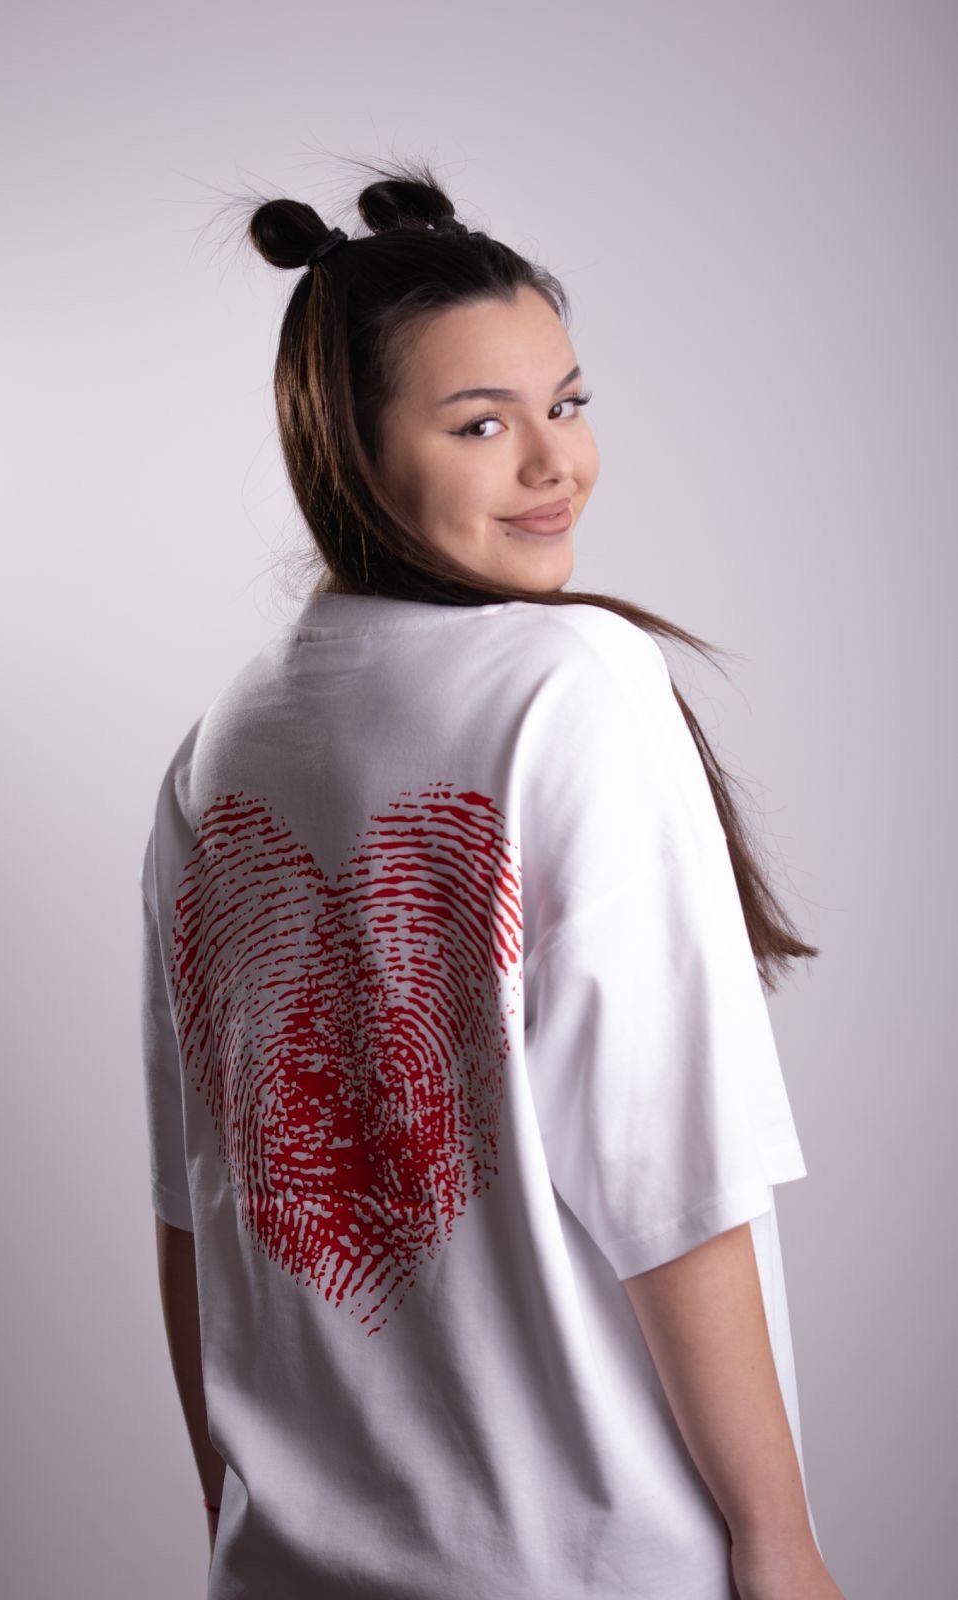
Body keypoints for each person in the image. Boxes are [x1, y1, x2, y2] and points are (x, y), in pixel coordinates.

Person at [138, 156, 847, 1599]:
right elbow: (668, 1172)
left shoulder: (221, 743)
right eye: (481, 423)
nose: (554, 464)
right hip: (584, 1560)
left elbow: (198, 1198)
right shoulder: (573, 684)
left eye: (566, 404)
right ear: (349, 447)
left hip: (286, 1563)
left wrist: (229, 1508)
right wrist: (779, 1545)